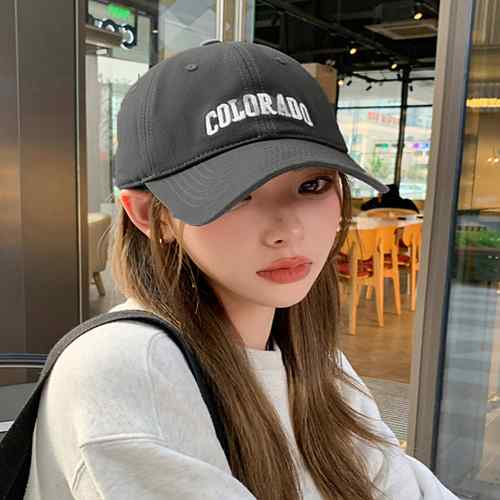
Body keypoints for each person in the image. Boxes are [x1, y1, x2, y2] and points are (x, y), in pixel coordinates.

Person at [24, 41, 458, 500]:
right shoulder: (127, 370)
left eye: (312, 185)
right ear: (151, 216)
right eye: (236, 195)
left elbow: (401, 483)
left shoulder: (311, 355)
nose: (288, 230)